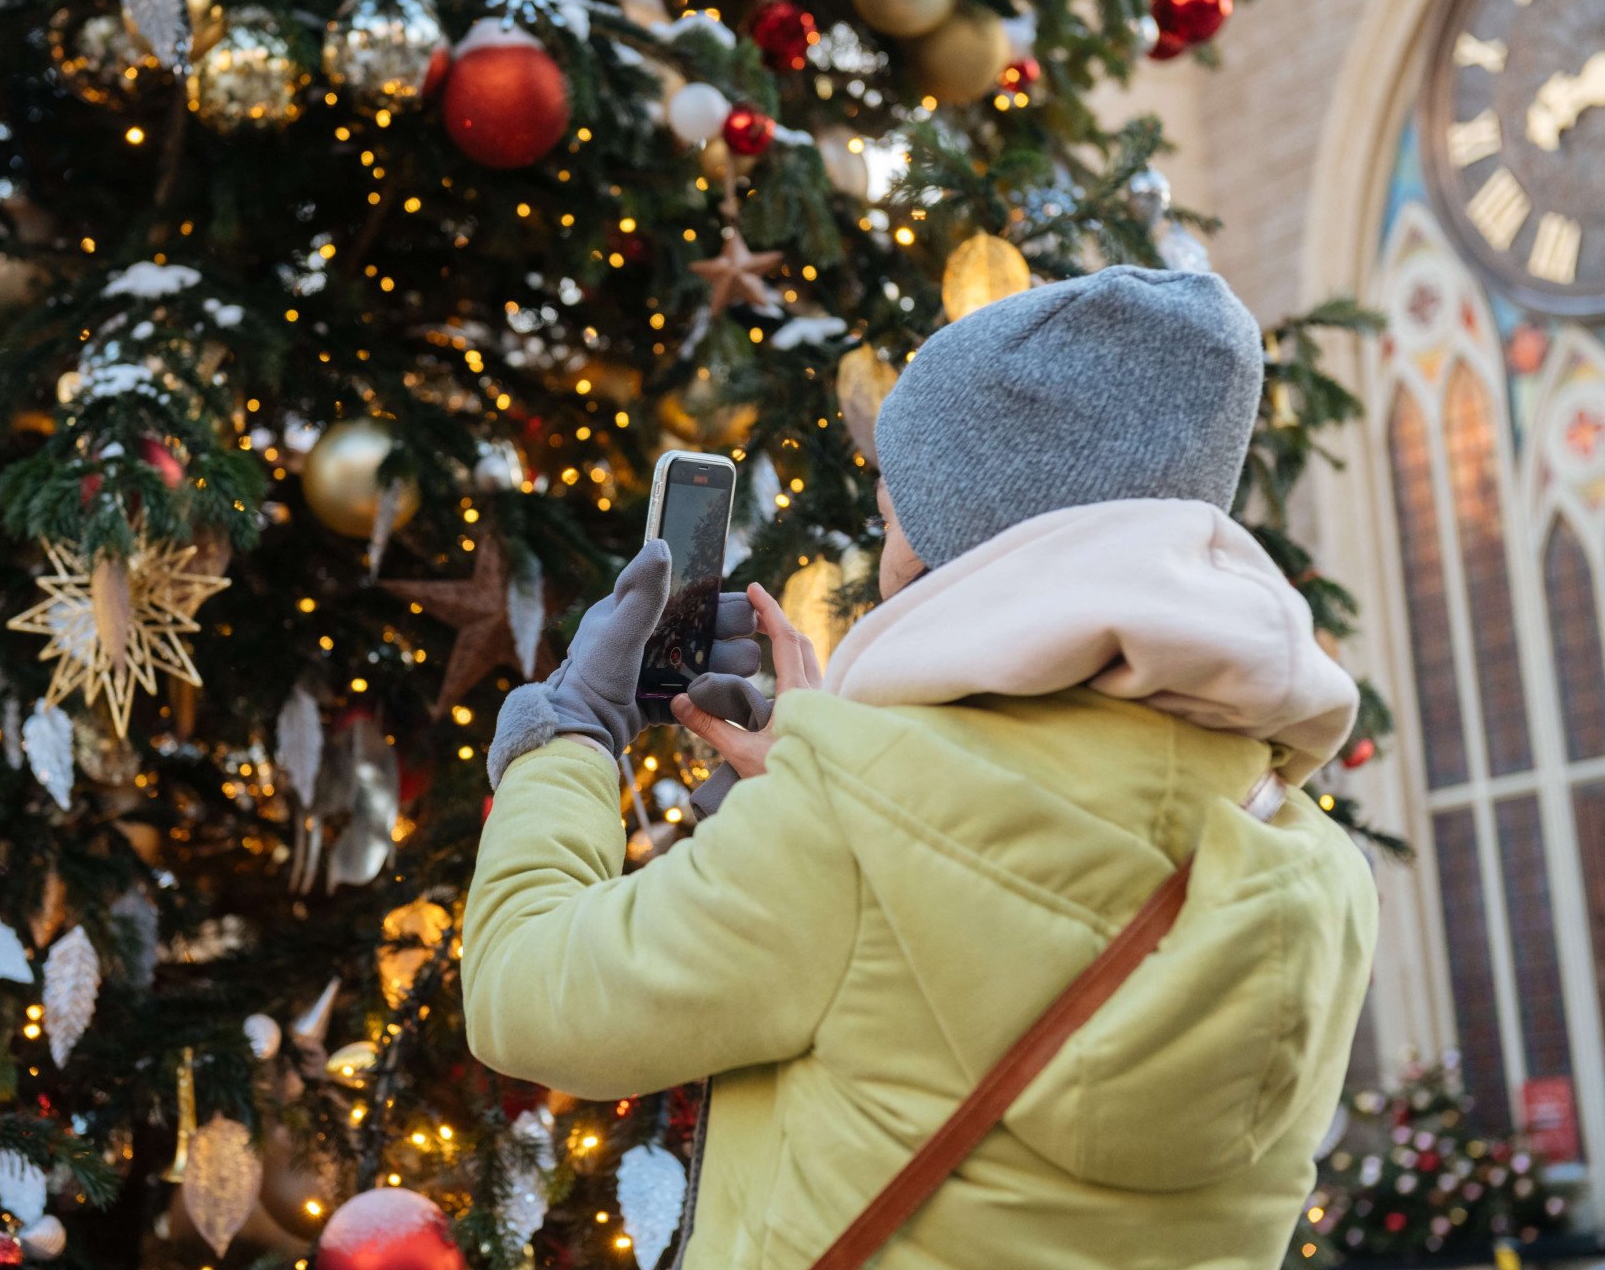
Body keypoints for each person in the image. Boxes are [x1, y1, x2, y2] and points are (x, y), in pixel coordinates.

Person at [467, 266, 1379, 1269]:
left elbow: (525, 993)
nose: (886, 547)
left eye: (896, 512)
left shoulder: (849, 828)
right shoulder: (1314, 868)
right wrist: (826, 759)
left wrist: (572, 730)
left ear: (966, 538)